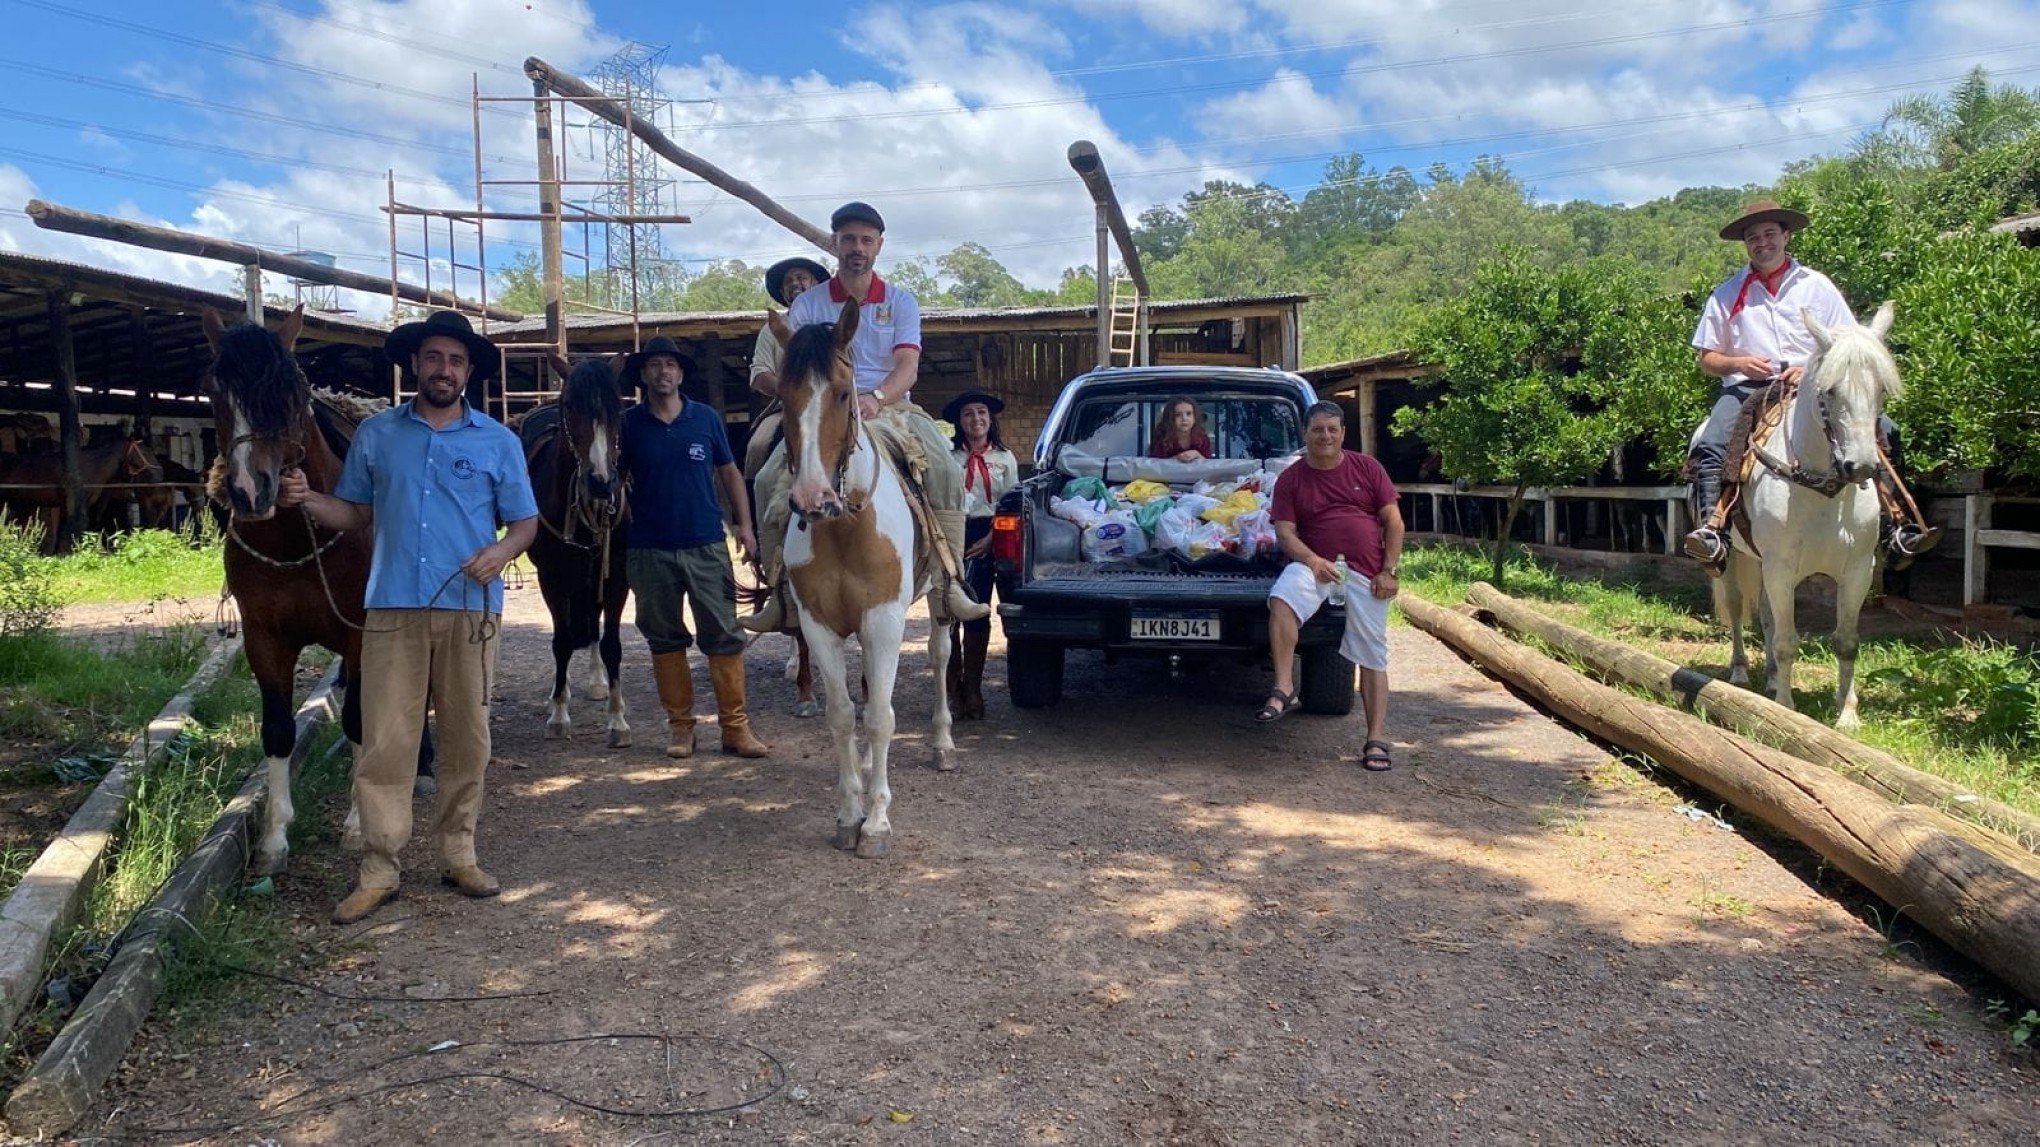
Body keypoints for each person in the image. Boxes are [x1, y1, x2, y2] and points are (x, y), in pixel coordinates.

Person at [278, 310, 538, 924]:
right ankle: (378, 868)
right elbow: (354, 514)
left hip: (470, 610)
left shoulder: (498, 441)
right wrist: (307, 500)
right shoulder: (377, 436)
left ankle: (459, 852)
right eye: (433, 358)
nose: (443, 369)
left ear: (468, 372)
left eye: (455, 360)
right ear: (415, 366)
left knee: (466, 738)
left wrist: (498, 553)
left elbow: (525, 523)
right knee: (385, 742)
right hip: (392, 605)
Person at [742, 201, 990, 633]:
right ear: (835, 243)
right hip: (824, 410)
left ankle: (949, 584)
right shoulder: (807, 307)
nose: (857, 247)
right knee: (766, 481)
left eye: (866, 240)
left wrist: (876, 397)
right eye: (849, 239)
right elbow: (794, 371)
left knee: (947, 470)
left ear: (878, 246)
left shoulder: (901, 302)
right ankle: (780, 592)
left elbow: (907, 366)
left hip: (891, 406)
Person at [1684, 198, 1941, 572]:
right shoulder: (1726, 293)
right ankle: (1714, 532)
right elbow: (1707, 358)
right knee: (1712, 443)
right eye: (1753, 237)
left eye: (1770, 233)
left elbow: (1851, 341)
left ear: (1786, 236)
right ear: (1745, 244)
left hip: (1816, 384)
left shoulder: (1817, 286)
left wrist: (1808, 368)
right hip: (1747, 389)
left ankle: (1896, 527)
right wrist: (1738, 363)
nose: (1762, 242)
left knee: (1885, 429)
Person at [619, 336, 768, 760]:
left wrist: (745, 525)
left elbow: (729, 471)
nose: (663, 371)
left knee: (723, 635)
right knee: (664, 639)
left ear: (681, 374)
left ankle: (735, 729)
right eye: (654, 365)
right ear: (644, 375)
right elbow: (613, 481)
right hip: (649, 548)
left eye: (670, 365)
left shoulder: (704, 418)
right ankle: (681, 728)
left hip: (705, 543)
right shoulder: (629, 425)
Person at [1257, 402, 1404, 771]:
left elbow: (1394, 522)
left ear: (1342, 433)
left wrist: (1389, 571)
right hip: (1314, 566)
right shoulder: (1291, 479)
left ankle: (1375, 740)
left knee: (1372, 653)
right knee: (1282, 598)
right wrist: (1311, 561)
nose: (1325, 436)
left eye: (1332, 430)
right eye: (1318, 429)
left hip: (1366, 572)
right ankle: (1285, 687)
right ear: (1304, 434)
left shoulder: (1367, 468)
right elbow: (1285, 532)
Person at [942, 390, 1019, 720]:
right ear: (960, 422)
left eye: (982, 413)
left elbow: (1012, 506)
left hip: (991, 535)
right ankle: (951, 687)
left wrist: (991, 538)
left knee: (977, 610)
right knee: (946, 611)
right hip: (952, 534)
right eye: (969, 414)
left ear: (990, 419)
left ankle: (973, 688)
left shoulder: (1005, 458)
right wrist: (948, 539)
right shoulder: (947, 458)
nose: (977, 419)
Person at [1150, 396, 1212, 460]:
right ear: (1170, 418)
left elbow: (1209, 465)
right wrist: (1176, 459)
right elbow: (1154, 465)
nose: (1184, 418)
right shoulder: (1162, 438)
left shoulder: (1202, 438)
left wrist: (1197, 455)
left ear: (1195, 417)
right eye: (1178, 415)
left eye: (1189, 413)